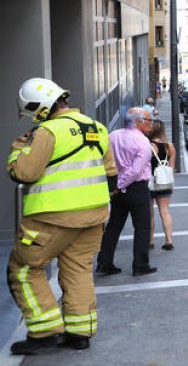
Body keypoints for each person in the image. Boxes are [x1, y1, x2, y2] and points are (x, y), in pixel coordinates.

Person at [7, 77, 117, 354]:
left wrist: (18, 150)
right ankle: (80, 333)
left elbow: (23, 172)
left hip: (51, 218)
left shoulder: (47, 132)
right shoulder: (97, 128)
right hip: (94, 216)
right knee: (78, 268)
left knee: (23, 269)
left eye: (32, 113)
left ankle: (44, 331)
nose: (32, 119)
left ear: (41, 107)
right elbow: (111, 175)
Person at [95, 107, 156, 278]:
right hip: (136, 188)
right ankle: (140, 265)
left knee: (113, 226)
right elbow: (135, 171)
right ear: (137, 122)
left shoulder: (112, 136)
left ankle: (104, 263)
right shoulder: (142, 141)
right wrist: (121, 184)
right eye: (148, 120)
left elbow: (104, 160)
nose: (151, 123)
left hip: (117, 189)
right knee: (142, 227)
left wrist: (115, 186)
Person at [145, 119, 176, 251]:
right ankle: (169, 241)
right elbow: (171, 167)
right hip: (165, 182)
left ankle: (150, 241)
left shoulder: (148, 145)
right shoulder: (170, 146)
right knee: (165, 211)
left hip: (150, 183)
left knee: (150, 214)